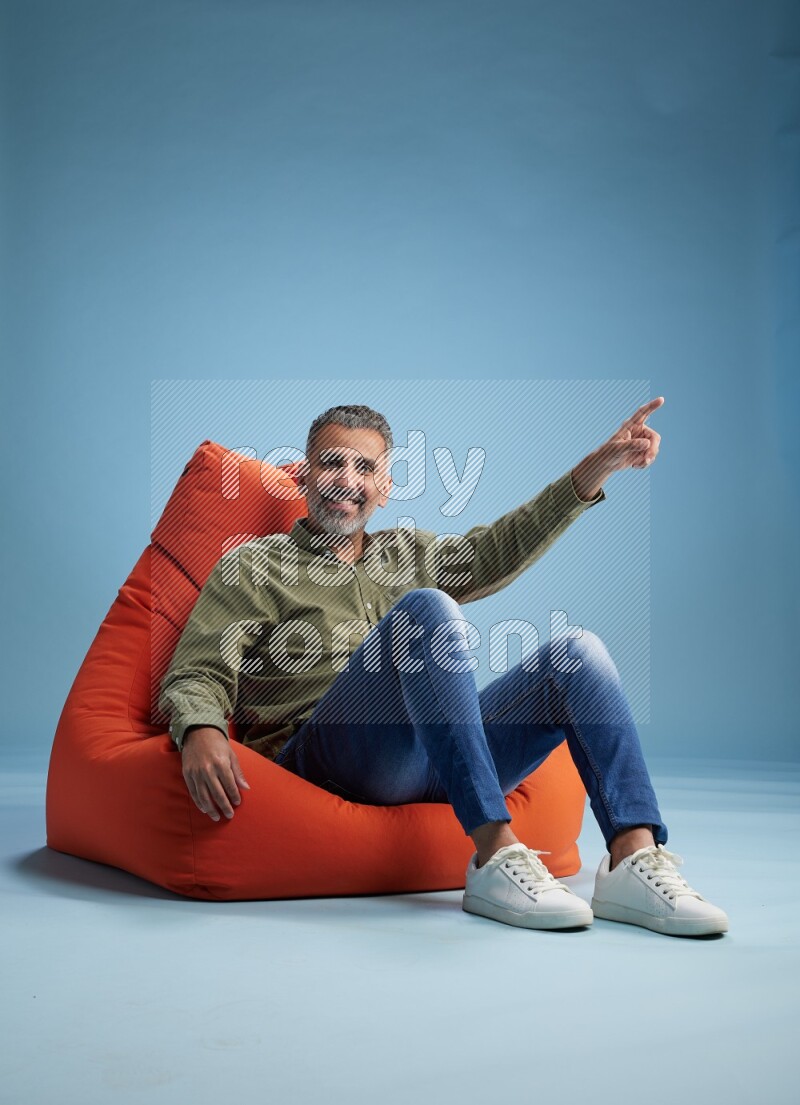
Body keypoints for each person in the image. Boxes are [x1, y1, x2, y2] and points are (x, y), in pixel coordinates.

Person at [159, 400, 728, 937]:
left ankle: (631, 857)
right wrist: (201, 729)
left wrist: (594, 470)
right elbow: (198, 669)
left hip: (437, 761)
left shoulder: (407, 553)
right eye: (331, 464)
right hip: (331, 757)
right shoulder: (255, 565)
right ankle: (495, 853)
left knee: (577, 653)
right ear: (304, 476)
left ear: (384, 487)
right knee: (427, 610)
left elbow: (497, 548)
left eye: (365, 467)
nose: (346, 480)